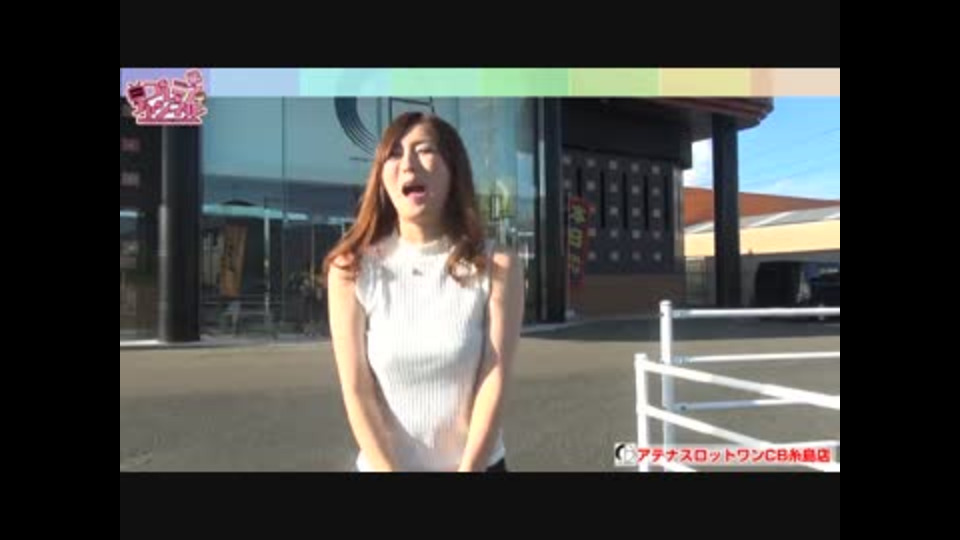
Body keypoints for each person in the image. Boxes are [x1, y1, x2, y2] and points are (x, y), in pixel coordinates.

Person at [322, 112, 524, 472]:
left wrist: (470, 468)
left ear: (453, 170)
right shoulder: (351, 269)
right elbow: (357, 389)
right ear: (381, 175)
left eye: (425, 150)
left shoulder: (497, 265)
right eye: (394, 154)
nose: (408, 164)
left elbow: (493, 378)